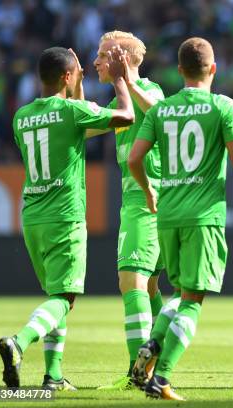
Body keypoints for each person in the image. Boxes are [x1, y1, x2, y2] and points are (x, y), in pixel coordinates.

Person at [128, 37, 233, 400]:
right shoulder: (222, 106)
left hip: (168, 216)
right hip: (203, 217)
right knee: (193, 299)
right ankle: (161, 379)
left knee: (179, 292)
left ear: (179, 71)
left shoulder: (161, 110)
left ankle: (153, 343)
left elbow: (134, 159)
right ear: (213, 69)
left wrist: (148, 190)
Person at [0, 46, 134, 390]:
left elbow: (76, 124)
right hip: (64, 215)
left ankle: (53, 376)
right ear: (68, 77)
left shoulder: (21, 116)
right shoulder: (73, 110)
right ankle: (19, 342)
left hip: (32, 217)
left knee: (57, 296)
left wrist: (76, 91)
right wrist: (119, 79)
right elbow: (126, 115)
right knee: (64, 299)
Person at [89, 30, 170, 392]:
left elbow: (164, 118)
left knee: (131, 281)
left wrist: (128, 81)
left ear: (126, 58)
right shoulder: (119, 101)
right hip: (142, 199)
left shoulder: (149, 90)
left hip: (146, 197)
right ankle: (154, 362)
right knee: (150, 285)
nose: (97, 61)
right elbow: (86, 123)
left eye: (104, 54)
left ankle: (136, 375)